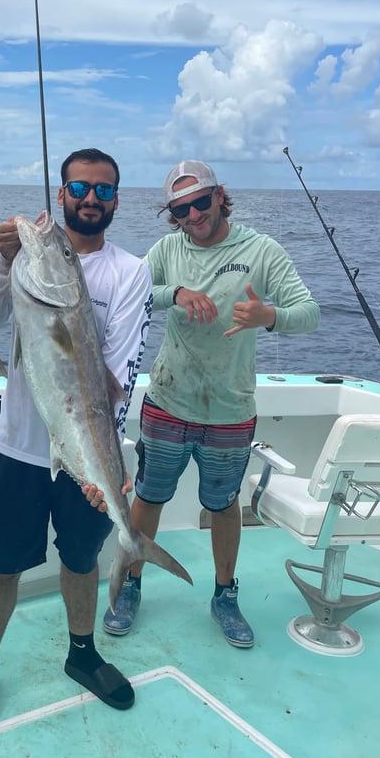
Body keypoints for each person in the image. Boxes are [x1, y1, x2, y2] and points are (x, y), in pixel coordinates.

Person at [0, 148, 152, 738]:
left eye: (104, 191)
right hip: (18, 447)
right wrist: (0, 259)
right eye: (79, 188)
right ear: (61, 192)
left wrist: (106, 464)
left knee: (81, 558)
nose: (91, 199)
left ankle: (82, 652)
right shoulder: (25, 264)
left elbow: (118, 370)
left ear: (116, 199)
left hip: (85, 453)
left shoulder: (128, 272)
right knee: (1, 564)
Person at [101, 160, 320, 647]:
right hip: (167, 400)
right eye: (181, 209)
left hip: (230, 409)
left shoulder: (261, 250)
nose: (194, 215)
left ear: (220, 195)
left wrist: (270, 315)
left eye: (201, 202)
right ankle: (131, 581)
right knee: (148, 498)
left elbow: (310, 313)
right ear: (171, 213)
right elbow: (129, 296)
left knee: (224, 506)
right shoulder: (165, 249)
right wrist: (174, 292)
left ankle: (224, 592)